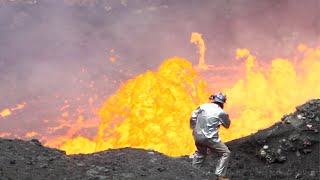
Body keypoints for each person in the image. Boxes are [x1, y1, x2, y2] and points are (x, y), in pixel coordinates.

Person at [190, 93, 231, 180]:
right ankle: (219, 175)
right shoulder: (221, 112)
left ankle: (193, 172)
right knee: (225, 153)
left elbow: (193, 117)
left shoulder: (202, 107)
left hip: (197, 136)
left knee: (200, 153)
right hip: (210, 138)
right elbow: (227, 125)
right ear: (222, 103)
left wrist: (193, 129)